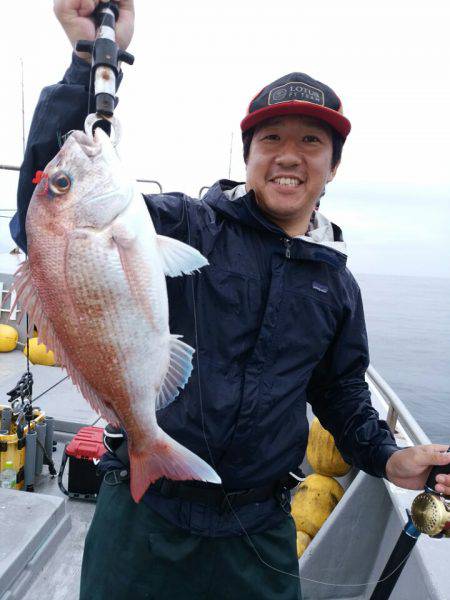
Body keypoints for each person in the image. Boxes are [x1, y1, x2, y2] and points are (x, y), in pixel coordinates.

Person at [10, 1, 450, 598]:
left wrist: (391, 458)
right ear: (248, 156)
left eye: (311, 142)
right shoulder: (186, 225)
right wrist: (87, 59)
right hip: (144, 512)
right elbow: (46, 220)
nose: (289, 155)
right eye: (270, 137)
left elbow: (342, 394)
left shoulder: (336, 287)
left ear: (332, 166)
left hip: (257, 528)